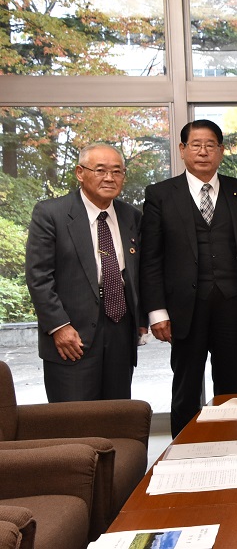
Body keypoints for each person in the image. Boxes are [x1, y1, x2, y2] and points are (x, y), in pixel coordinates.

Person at [140, 120, 237, 437]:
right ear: (182, 150)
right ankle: (183, 453)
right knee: (185, 386)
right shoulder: (160, 195)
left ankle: (234, 444)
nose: (203, 151)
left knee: (231, 385)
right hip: (186, 308)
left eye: (210, 145)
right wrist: (157, 311)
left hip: (233, 305)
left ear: (221, 151)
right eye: (195, 145)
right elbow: (151, 258)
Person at [25, 143, 144, 401]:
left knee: (118, 413)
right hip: (71, 333)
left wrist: (142, 317)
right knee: (75, 421)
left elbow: (139, 271)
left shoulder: (132, 217)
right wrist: (59, 327)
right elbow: (38, 277)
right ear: (80, 172)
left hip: (120, 329)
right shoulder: (51, 213)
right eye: (100, 170)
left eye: (117, 171)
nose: (109, 178)